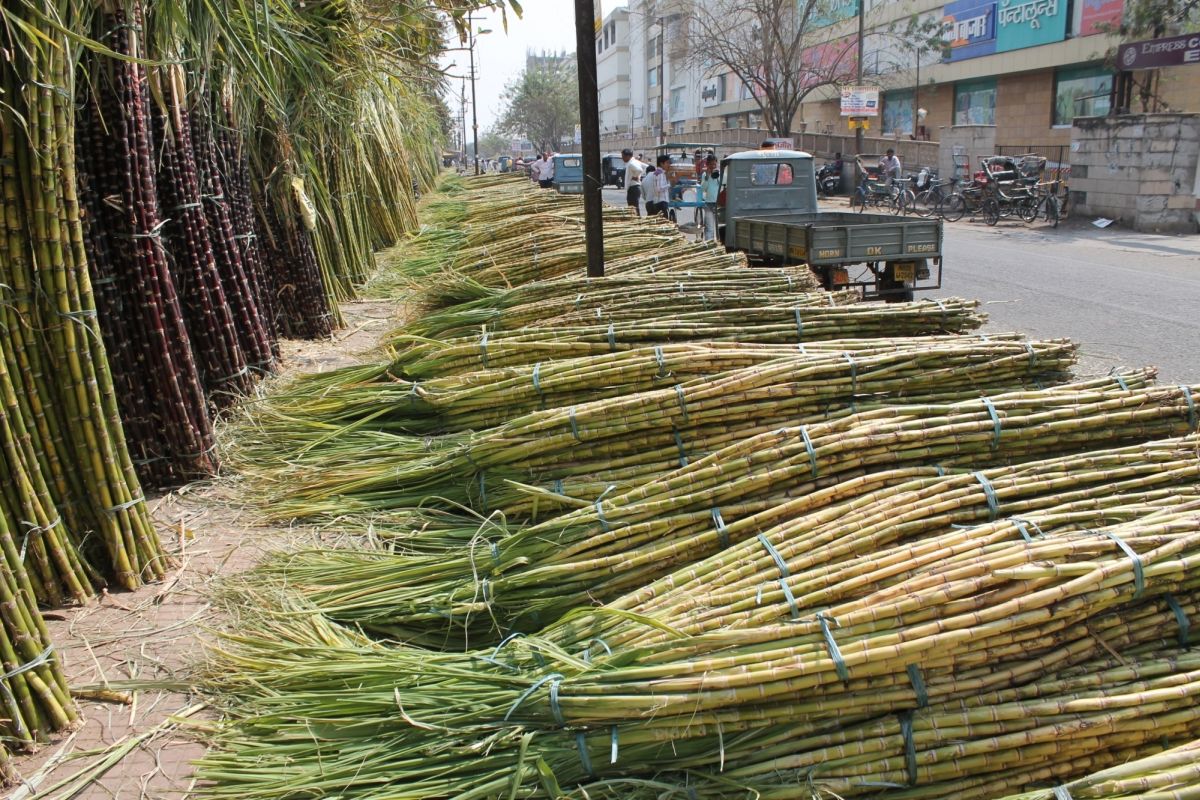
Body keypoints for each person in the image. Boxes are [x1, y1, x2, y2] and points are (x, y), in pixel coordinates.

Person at [621, 148, 647, 216]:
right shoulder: (635, 161)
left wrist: (636, 176)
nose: (622, 158)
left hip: (633, 188)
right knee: (634, 207)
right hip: (635, 188)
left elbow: (639, 170)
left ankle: (637, 219)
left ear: (628, 156)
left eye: (623, 156)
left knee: (633, 207)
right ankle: (636, 218)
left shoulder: (631, 163)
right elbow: (647, 167)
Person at [700, 154, 720, 242]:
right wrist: (707, 177)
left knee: (719, 227)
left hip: (719, 204)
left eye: (714, 164)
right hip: (709, 204)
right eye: (711, 164)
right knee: (709, 227)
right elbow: (703, 189)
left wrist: (718, 175)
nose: (713, 166)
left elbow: (723, 186)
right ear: (707, 165)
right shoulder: (705, 175)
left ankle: (720, 243)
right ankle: (709, 244)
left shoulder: (720, 174)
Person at [645, 154, 672, 219]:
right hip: (661, 202)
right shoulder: (659, 173)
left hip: (659, 202)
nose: (669, 165)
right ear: (661, 164)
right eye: (667, 163)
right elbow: (659, 189)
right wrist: (669, 185)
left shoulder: (659, 172)